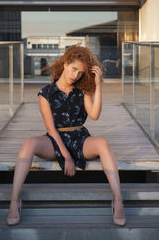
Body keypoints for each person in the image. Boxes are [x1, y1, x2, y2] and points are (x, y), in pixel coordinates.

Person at [7, 45, 126, 226]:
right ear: (65, 64)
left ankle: (118, 200)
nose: (76, 75)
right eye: (74, 69)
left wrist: (98, 86)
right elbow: (52, 129)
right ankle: (14, 201)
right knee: (29, 143)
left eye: (80, 72)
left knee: (103, 143)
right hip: (55, 141)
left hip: (79, 138)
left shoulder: (83, 89)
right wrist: (66, 156)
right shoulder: (46, 93)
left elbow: (94, 115)